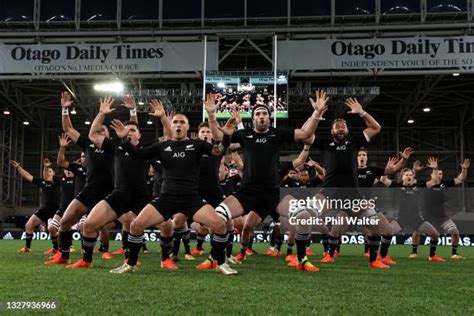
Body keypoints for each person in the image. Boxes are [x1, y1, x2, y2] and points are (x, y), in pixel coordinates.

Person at [200, 90, 327, 272]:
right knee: (218, 216)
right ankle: (216, 258)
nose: (261, 116)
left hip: (273, 193)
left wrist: (316, 113)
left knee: (304, 216)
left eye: (264, 113)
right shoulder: (245, 135)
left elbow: (306, 132)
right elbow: (219, 138)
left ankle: (302, 260)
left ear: (269, 117)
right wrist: (212, 115)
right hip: (247, 192)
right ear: (253, 119)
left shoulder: (277, 133)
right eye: (258, 114)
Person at [108, 110, 241, 275]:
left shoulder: (197, 145)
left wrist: (227, 137)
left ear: (187, 127)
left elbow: (218, 151)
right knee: (136, 225)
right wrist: (124, 139)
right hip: (166, 197)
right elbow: (137, 154)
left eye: (182, 122)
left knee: (220, 225)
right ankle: (131, 264)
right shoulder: (162, 146)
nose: (178, 125)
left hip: (191, 198)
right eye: (175, 122)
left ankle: (221, 263)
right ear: (171, 126)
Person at [66, 96, 159, 269]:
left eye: (133, 131)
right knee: (89, 224)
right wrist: (101, 113)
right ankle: (86, 260)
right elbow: (93, 135)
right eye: (127, 130)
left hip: (142, 196)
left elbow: (157, 134)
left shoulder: (147, 148)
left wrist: (136, 113)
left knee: (165, 226)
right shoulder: (115, 146)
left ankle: (141, 258)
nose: (130, 132)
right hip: (119, 194)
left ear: (139, 134)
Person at [380, 158, 444, 262]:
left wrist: (435, 169)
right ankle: (383, 256)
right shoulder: (397, 185)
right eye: (406, 175)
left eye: (410, 175)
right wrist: (388, 168)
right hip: (402, 218)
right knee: (388, 232)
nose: (408, 176)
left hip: (416, 218)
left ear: (413, 176)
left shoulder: (419, 186)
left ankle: (432, 256)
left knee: (435, 235)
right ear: (402, 177)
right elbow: (383, 180)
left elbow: (435, 181)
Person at [411, 158, 470, 260]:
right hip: (425, 215)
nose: (439, 175)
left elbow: (460, 179)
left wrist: (464, 169)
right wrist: (414, 171)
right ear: (431, 175)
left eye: (441, 174)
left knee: (455, 231)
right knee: (416, 233)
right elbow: (410, 182)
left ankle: (454, 254)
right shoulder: (426, 184)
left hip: (441, 216)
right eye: (437, 173)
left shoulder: (444, 184)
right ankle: (414, 252)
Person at [11, 158, 60, 253]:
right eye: (46, 171)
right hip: (45, 209)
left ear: (53, 174)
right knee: (28, 225)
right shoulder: (42, 182)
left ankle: (61, 248)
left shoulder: (57, 182)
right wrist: (18, 167)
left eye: (50, 171)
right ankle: (27, 248)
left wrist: (46, 167)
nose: (48, 172)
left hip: (57, 209)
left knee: (59, 229)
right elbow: (27, 176)